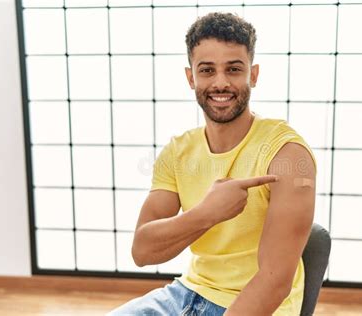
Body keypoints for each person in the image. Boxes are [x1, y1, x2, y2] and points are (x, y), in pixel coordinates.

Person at [108, 12, 316, 316]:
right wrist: (207, 213)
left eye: (233, 69)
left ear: (253, 75)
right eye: (207, 70)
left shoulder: (288, 155)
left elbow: (275, 281)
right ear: (191, 77)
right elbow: (142, 251)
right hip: (185, 294)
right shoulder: (177, 152)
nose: (220, 82)